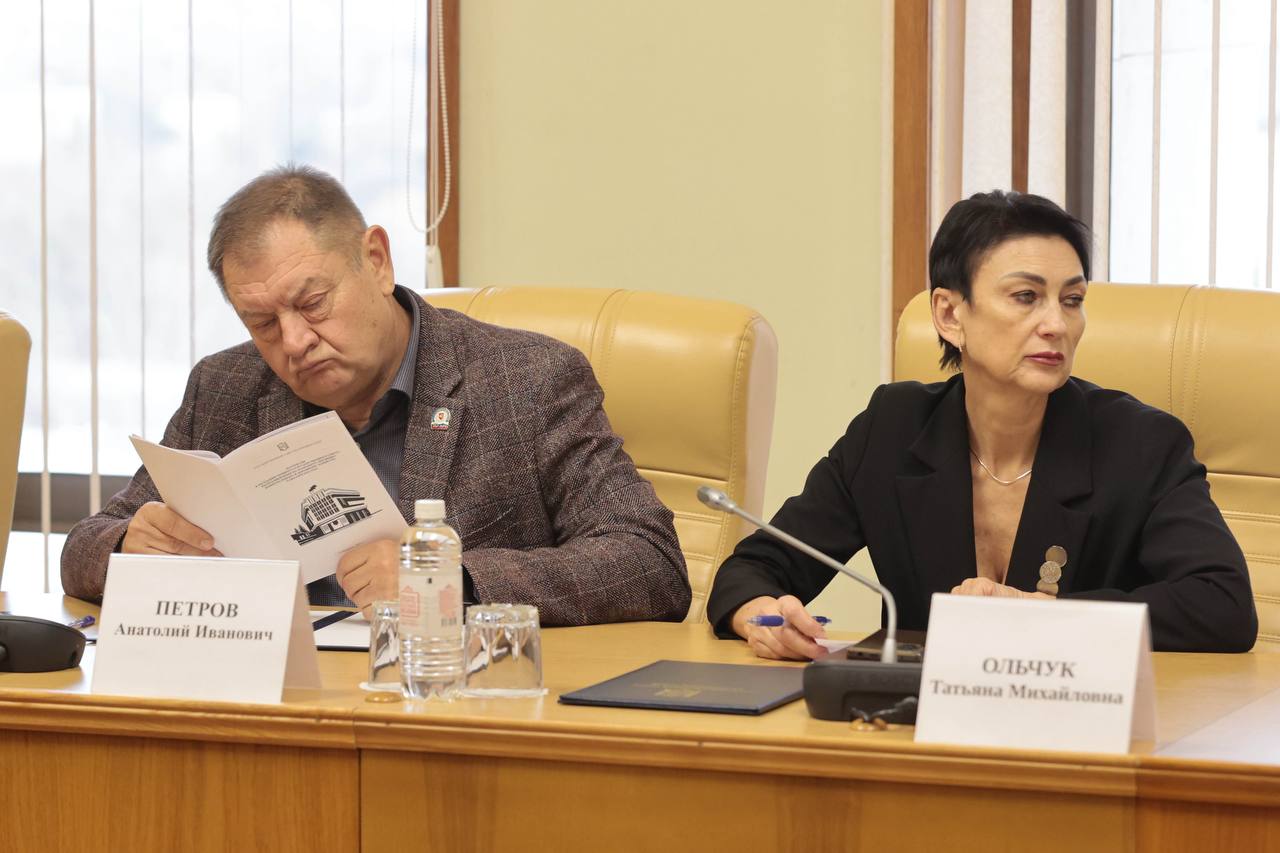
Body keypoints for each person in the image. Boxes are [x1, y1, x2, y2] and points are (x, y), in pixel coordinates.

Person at [61, 164, 690, 625]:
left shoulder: (525, 379)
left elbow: (649, 561)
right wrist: (129, 545)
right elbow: (85, 546)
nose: (294, 341)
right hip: (281, 701)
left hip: (449, 702)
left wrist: (449, 582)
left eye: (312, 303)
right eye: (262, 323)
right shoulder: (224, 387)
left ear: (378, 260)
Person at [707, 190, 1257, 657]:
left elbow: (1223, 606)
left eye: (1072, 300)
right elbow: (754, 568)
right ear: (950, 315)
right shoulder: (892, 431)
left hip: (1086, 727)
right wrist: (761, 617)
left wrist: (1047, 616)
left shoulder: (1140, 444)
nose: (1056, 324)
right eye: (1026, 297)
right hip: (921, 726)